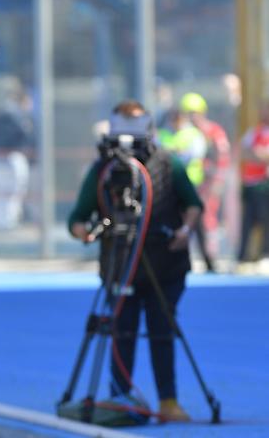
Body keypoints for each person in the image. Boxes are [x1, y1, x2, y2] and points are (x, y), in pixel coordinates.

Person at [69, 100, 203, 423]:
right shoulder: (103, 170)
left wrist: (185, 231)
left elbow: (193, 203)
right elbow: (78, 217)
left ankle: (168, 402)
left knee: (162, 331)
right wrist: (84, 232)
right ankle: (121, 401)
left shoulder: (168, 164)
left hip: (165, 266)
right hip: (121, 267)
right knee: (122, 332)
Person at [157, 107, 215, 271]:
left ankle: (208, 259)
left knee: (197, 221)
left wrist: (172, 154)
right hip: (168, 186)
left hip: (191, 183)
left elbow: (193, 155)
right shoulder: (163, 134)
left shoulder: (193, 134)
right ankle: (172, 260)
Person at [179, 92, 231, 260]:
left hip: (209, 182)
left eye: (194, 113)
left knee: (208, 215)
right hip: (191, 183)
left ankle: (211, 253)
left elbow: (222, 156)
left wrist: (218, 181)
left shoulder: (213, 131)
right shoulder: (185, 133)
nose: (191, 117)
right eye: (188, 113)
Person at [237, 103, 269, 264]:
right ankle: (243, 256)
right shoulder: (254, 132)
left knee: (266, 220)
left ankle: (265, 254)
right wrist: (257, 155)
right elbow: (243, 151)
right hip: (250, 184)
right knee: (247, 221)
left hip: (264, 184)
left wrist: (258, 154)